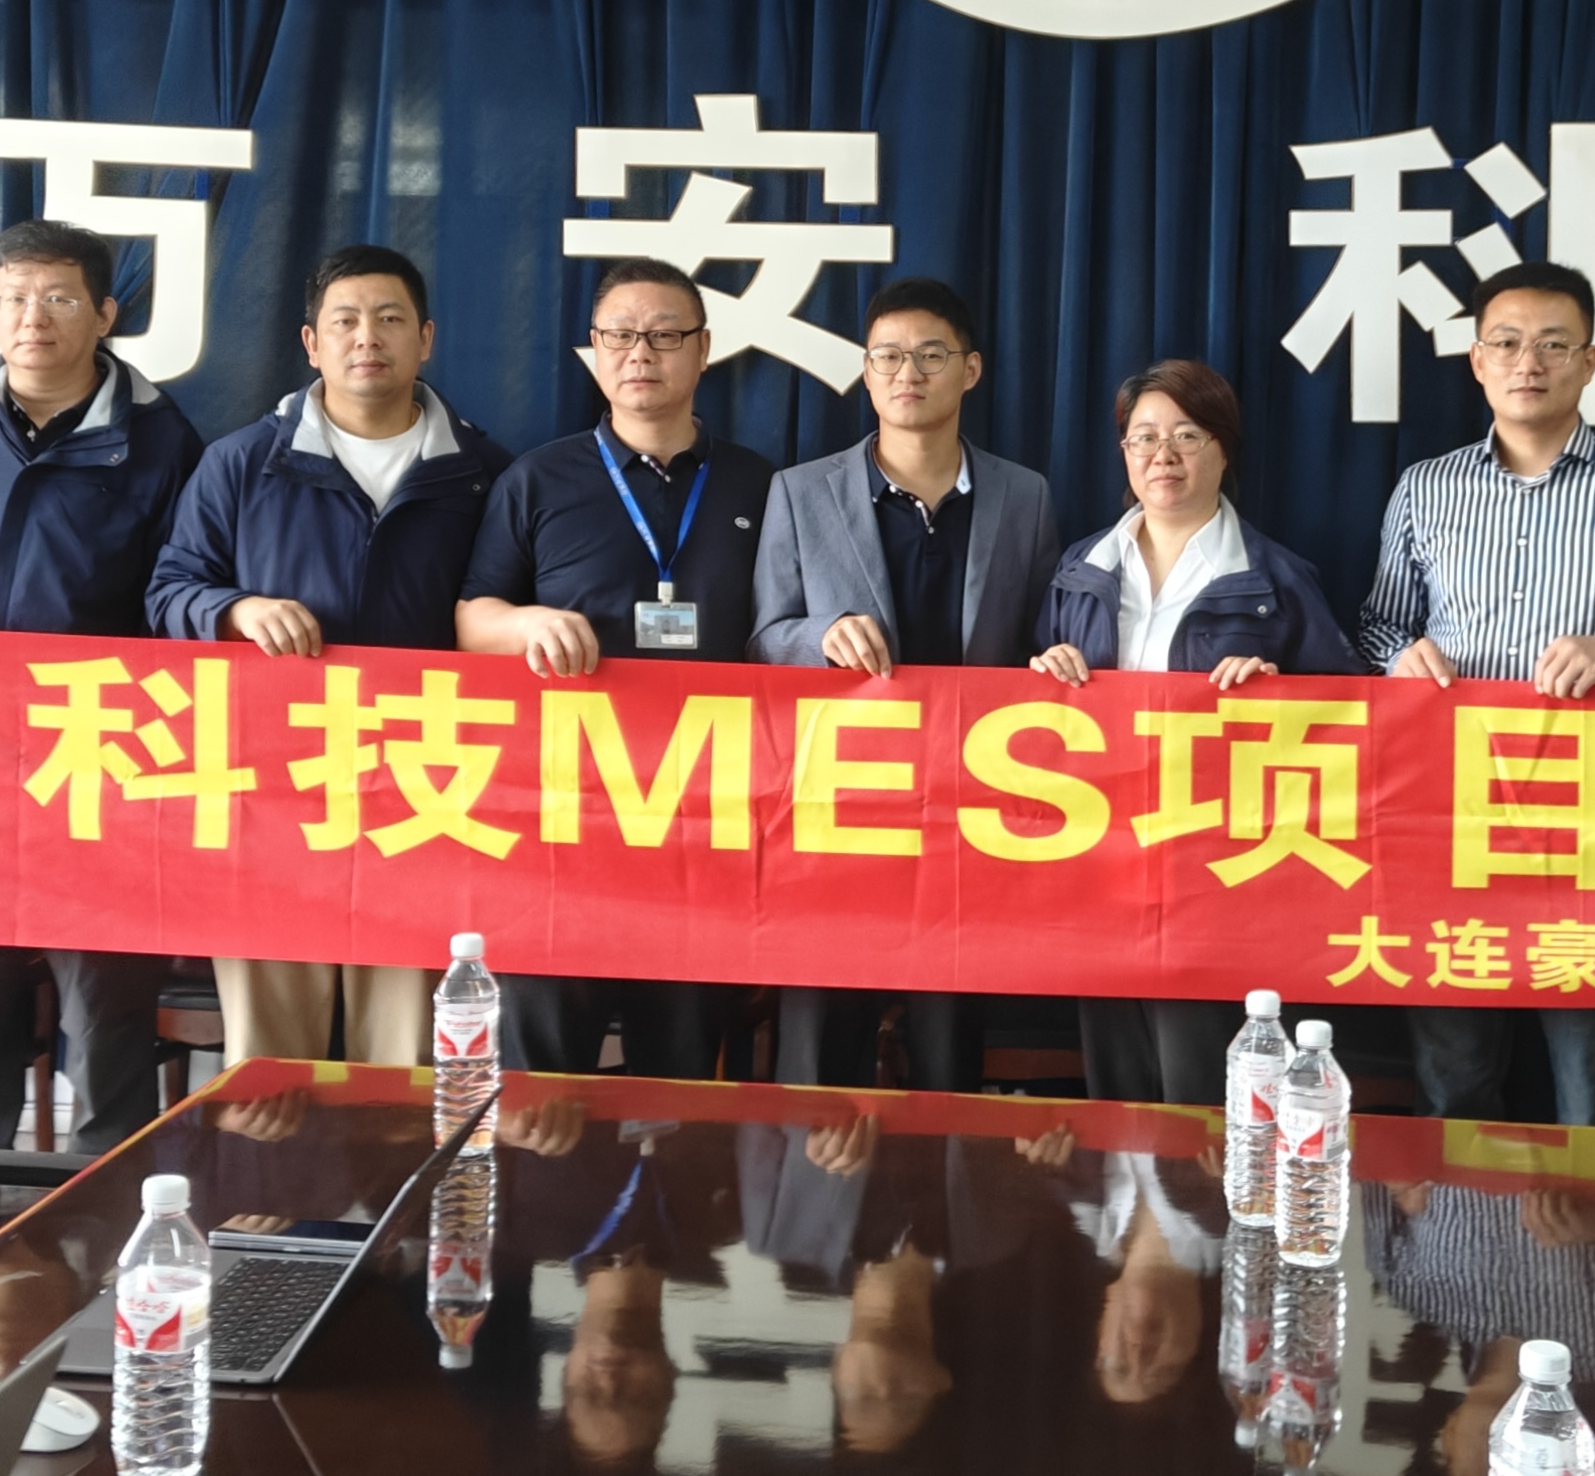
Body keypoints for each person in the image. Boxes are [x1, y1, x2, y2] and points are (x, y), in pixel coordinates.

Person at [0, 217, 205, 1245]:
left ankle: (105, 1204)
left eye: (58, 298)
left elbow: (179, 585)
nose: (32, 318)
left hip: (103, 757)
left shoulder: (166, 443)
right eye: (14, 297)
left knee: (105, 998)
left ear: (105, 315)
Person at [1355, 260, 1595, 1127]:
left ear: (1591, 360)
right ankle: (1456, 1226)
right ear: (1477, 360)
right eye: (1505, 342)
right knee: (1453, 1079)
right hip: (1451, 821)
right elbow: (1378, 628)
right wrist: (1398, 659)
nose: (1527, 362)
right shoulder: (1426, 488)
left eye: (1552, 344)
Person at [148, 244, 512, 1070]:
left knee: (406, 1049)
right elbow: (169, 592)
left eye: (389, 318)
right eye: (344, 320)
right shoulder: (241, 463)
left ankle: (400, 1166)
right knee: (271, 1064)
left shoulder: (485, 474)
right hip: (271, 786)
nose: (366, 337)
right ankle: (270, 1164)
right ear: (312, 342)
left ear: (426, 337)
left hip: (427, 786)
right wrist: (234, 608)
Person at [457, 255, 779, 1079]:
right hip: (563, 821)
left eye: (665, 335)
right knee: (541, 1082)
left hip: (706, 821)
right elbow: (471, 618)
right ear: (593, 352)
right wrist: (526, 622)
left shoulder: (762, 483)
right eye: (621, 335)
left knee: (678, 1076)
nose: (641, 352)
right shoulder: (537, 477)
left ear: (704, 349)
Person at [754, 276, 1063, 1092]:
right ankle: (816, 1177)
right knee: (820, 1047)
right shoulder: (800, 491)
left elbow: (1039, 640)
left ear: (971, 369)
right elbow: (763, 638)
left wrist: (1052, 661)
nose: (907, 373)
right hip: (839, 805)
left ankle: (946, 1178)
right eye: (888, 356)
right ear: (865, 370)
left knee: (948, 1042)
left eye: (930, 355)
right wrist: (819, 636)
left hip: (966, 807)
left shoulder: (1024, 496)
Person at [1029, 359, 1363, 1102]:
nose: (1163, 454)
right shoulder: (1080, 568)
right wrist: (1044, 670)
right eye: (1144, 437)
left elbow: (1354, 718)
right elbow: (1034, 715)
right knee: (1115, 1075)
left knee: (1198, 1082)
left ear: (1223, 448)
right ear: (1123, 452)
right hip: (1102, 854)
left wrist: (1281, 696)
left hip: (1220, 866)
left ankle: (1211, 1182)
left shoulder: (1277, 579)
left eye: (1187, 435)